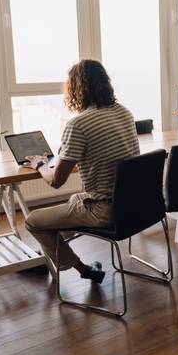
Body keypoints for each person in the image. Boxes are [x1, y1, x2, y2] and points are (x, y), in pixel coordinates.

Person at [24, 59, 140, 283]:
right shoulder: (124, 112)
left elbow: (56, 180)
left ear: (76, 88)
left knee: (33, 221)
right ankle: (52, 249)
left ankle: (82, 268)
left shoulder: (79, 125)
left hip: (105, 210)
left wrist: (39, 164)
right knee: (75, 199)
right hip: (135, 204)